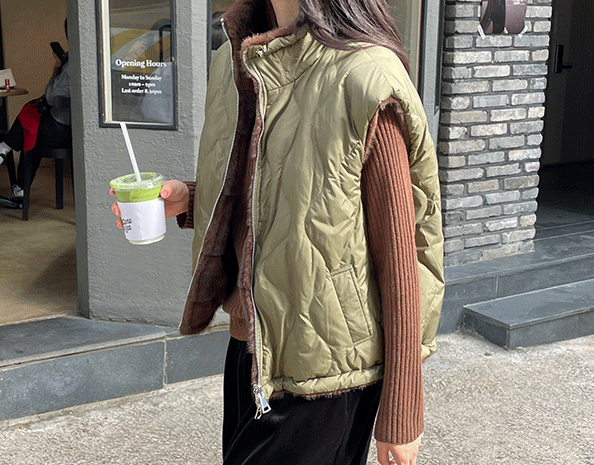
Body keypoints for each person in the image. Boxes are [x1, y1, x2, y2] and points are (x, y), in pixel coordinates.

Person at [112, 0, 444, 463]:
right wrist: (192, 199)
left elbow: (401, 255)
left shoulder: (364, 75)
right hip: (250, 346)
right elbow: (269, 186)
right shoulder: (235, 59)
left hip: (329, 368)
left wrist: (403, 409)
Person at [0, 18, 71, 198]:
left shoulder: (72, 63)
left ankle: (6, 151)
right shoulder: (84, 59)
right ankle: (6, 152)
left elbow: (51, 96)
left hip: (63, 129)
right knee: (32, 116)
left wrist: (57, 69)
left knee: (30, 129)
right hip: (75, 128)